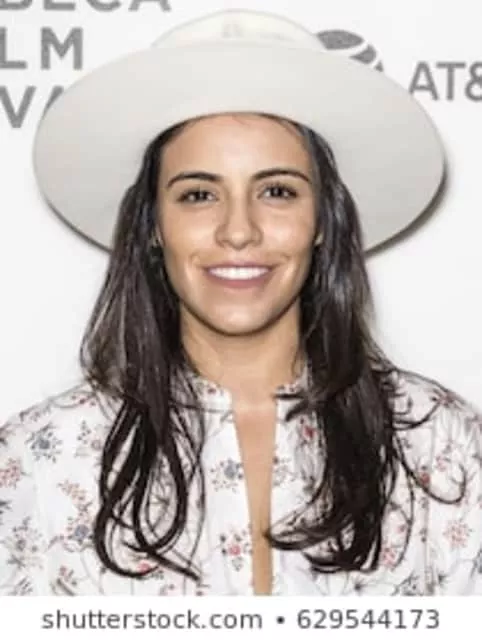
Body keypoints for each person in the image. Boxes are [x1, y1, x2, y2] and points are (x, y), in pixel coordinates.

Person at [1, 9, 481, 597]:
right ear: (153, 226)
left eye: (277, 191)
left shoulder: (441, 445)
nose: (238, 231)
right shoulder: (38, 460)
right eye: (198, 194)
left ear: (322, 221)